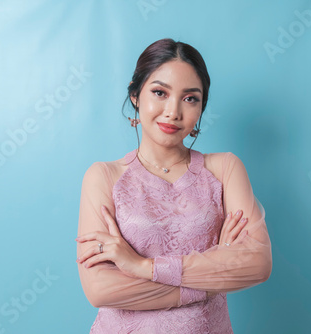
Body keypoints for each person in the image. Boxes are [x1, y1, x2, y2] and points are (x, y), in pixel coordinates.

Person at [75, 38, 272, 333]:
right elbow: (101, 290)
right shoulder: (103, 177)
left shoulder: (225, 169)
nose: (173, 111)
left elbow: (257, 264)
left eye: (190, 98)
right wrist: (214, 275)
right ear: (135, 96)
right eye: (159, 92)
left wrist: (141, 266)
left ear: (201, 107)